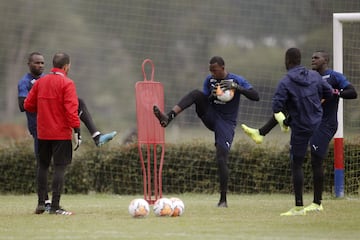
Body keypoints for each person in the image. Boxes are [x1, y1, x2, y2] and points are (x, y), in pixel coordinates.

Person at [241, 50, 357, 213]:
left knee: (315, 159)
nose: (313, 59)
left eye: (317, 57)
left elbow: (352, 92)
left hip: (326, 124)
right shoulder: (310, 77)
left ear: (326, 60)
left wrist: (335, 93)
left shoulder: (333, 77)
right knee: (294, 107)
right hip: (311, 121)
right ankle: (262, 132)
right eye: (312, 57)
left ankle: (317, 203)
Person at [152, 56, 260, 207]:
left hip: (226, 124)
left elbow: (256, 96)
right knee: (196, 94)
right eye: (210, 71)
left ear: (223, 68)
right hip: (210, 116)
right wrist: (213, 94)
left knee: (221, 158)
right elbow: (205, 98)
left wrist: (237, 87)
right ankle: (168, 117)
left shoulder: (236, 79)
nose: (212, 73)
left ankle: (223, 200)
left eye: (215, 70)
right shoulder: (209, 80)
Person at [270, 48, 333, 216]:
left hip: (300, 127)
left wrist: (287, 119)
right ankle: (317, 203)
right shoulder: (314, 76)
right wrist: (314, 103)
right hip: (318, 124)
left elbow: (276, 106)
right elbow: (328, 93)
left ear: (287, 61)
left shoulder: (285, 82)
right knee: (317, 163)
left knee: (297, 164)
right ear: (299, 59)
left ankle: (298, 207)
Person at [24, 52, 81, 215]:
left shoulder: (41, 82)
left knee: (42, 166)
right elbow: (71, 111)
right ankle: (55, 206)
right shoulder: (67, 83)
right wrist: (77, 129)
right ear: (66, 66)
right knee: (59, 168)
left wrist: (44, 111)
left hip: (42, 133)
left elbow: (28, 105)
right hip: (61, 134)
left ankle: (41, 203)